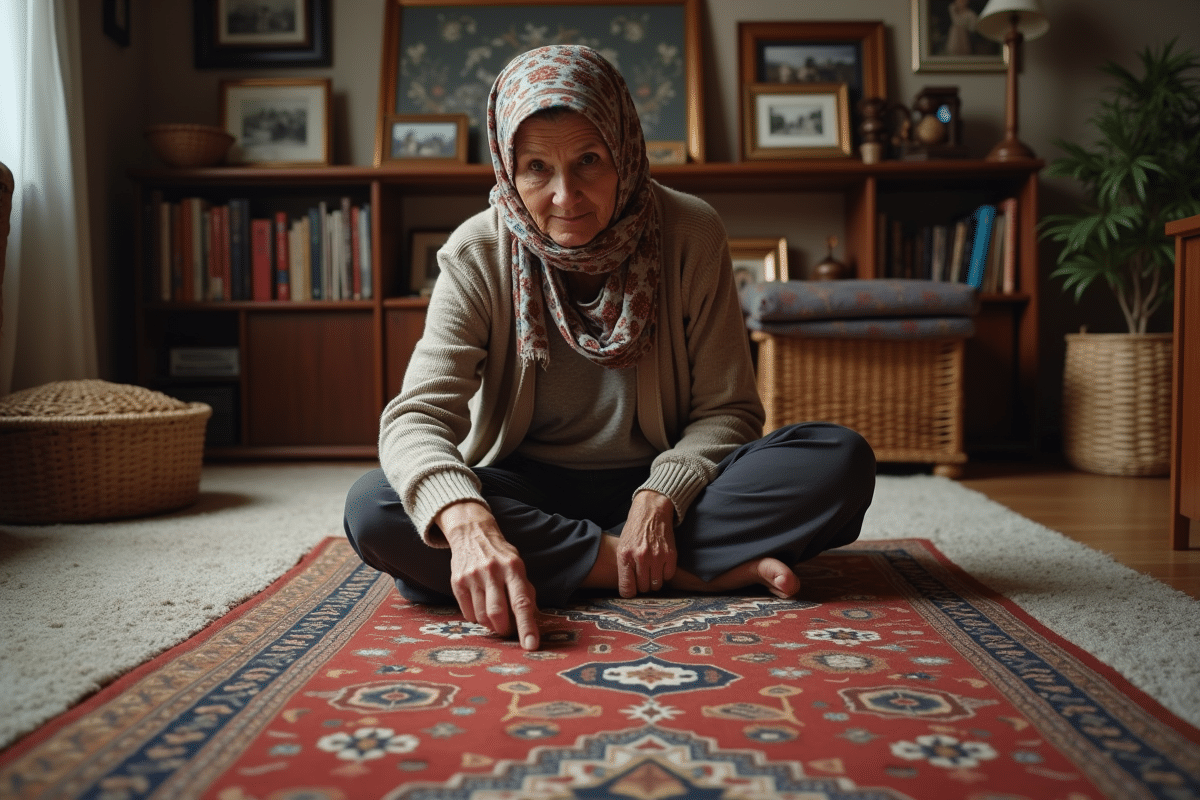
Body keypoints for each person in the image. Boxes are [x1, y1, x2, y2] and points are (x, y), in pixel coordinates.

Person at [344, 44, 875, 653]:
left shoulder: (691, 233)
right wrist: (468, 522)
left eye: (589, 161)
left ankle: (564, 565)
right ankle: (665, 572)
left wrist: (661, 495)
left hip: (671, 487)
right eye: (537, 167)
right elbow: (416, 417)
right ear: (508, 170)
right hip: (525, 487)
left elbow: (729, 412)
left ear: (624, 152)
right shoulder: (477, 252)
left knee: (839, 459)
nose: (565, 197)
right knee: (377, 507)